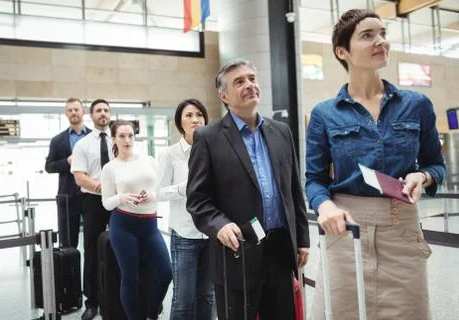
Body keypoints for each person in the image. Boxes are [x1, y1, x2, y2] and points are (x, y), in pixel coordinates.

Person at [305, 9, 445, 320]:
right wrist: (324, 206)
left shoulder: (416, 105)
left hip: (402, 230)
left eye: (382, 33)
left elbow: (437, 165)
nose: (380, 41)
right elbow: (314, 179)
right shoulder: (325, 114)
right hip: (346, 233)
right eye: (368, 36)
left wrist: (422, 176)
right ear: (343, 51)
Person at [186, 58, 310, 320]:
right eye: (239, 81)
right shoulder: (208, 137)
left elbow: (293, 190)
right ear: (224, 95)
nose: (249, 85)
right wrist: (219, 225)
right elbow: (197, 199)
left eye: (252, 78)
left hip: (279, 249)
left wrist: (302, 239)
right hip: (237, 254)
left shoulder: (281, 132)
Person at [101, 120, 172, 320]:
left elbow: (161, 190)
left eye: (130, 135)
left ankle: (151, 313)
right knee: (129, 278)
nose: (127, 140)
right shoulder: (110, 168)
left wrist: (152, 195)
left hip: (150, 225)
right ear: (113, 139)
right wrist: (122, 197)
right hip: (123, 225)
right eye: (122, 136)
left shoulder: (149, 160)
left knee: (166, 272)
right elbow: (106, 202)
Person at [157, 99, 215, 320]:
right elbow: (159, 192)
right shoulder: (169, 154)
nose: (195, 119)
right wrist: (186, 188)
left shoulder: (213, 151)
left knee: (207, 296)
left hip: (211, 233)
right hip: (184, 235)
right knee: (183, 300)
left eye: (199, 114)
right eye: (189, 115)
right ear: (180, 122)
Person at [71, 98, 114, 320]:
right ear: (91, 115)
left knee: (121, 248)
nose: (103, 114)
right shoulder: (83, 144)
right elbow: (79, 177)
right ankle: (92, 302)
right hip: (94, 202)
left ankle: (116, 298)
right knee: (92, 251)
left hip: (118, 202)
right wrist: (100, 187)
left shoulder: (120, 139)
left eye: (106, 110)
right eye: (98, 110)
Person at [45, 97, 91, 248]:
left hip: (91, 195)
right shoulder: (57, 140)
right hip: (68, 197)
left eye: (76, 109)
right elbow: (49, 167)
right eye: (70, 110)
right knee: (68, 243)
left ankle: (94, 272)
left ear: (82, 111)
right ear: (66, 113)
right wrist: (67, 161)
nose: (73, 113)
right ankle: (70, 272)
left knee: (93, 240)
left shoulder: (94, 137)